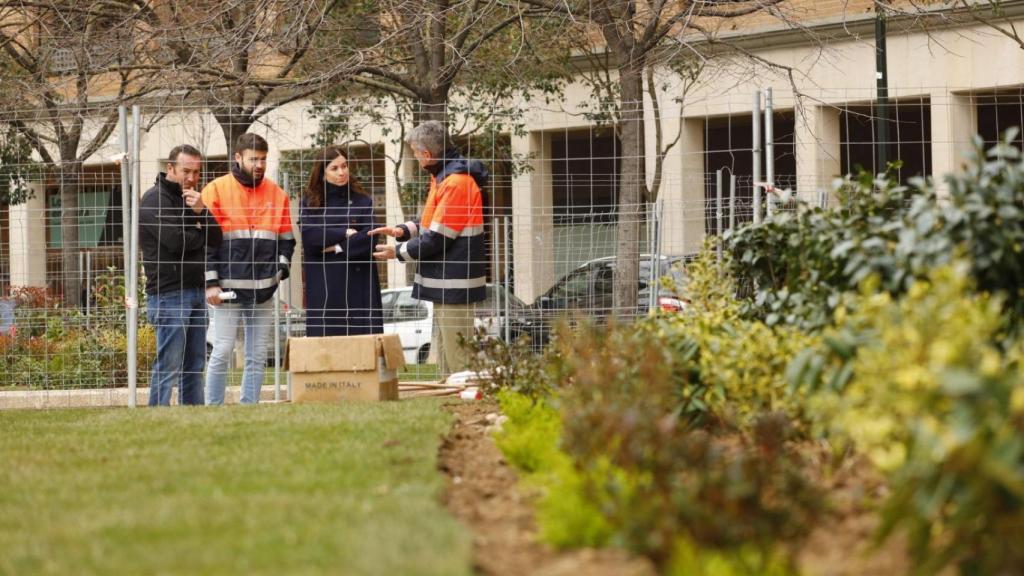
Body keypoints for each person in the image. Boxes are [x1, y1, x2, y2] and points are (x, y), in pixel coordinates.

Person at [370, 121, 488, 378]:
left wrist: (397, 252)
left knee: (458, 357)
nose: (414, 157)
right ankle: (452, 398)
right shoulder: (445, 177)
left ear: (425, 154)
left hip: (454, 280)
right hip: (449, 280)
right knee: (449, 353)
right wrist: (403, 230)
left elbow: (437, 238)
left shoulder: (455, 182)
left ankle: (464, 402)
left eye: (414, 152)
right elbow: (432, 223)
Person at [201, 133, 295, 405]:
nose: (259, 165)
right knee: (222, 351)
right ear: (238, 157)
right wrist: (211, 283)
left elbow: (287, 241)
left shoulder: (278, 195)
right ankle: (213, 408)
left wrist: (279, 271)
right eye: (254, 159)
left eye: (263, 159)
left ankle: (249, 408)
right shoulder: (216, 190)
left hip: (264, 291)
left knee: (256, 355)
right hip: (227, 291)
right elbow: (206, 243)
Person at [139, 145, 222, 406]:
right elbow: (176, 242)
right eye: (186, 171)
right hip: (169, 294)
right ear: (170, 168)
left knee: (195, 364)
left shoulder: (193, 201)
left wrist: (202, 213)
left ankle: (192, 417)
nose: (191, 178)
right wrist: (199, 233)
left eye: (196, 172)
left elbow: (217, 238)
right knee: (169, 364)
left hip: (197, 291)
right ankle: (157, 417)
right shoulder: (154, 199)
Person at [300, 146, 383, 336]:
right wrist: (346, 232)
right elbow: (310, 238)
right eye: (334, 168)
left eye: (344, 166)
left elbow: (370, 237)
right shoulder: (310, 203)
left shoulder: (363, 201)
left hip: (359, 281)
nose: (342, 172)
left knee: (363, 345)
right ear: (323, 173)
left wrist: (337, 247)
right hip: (324, 284)